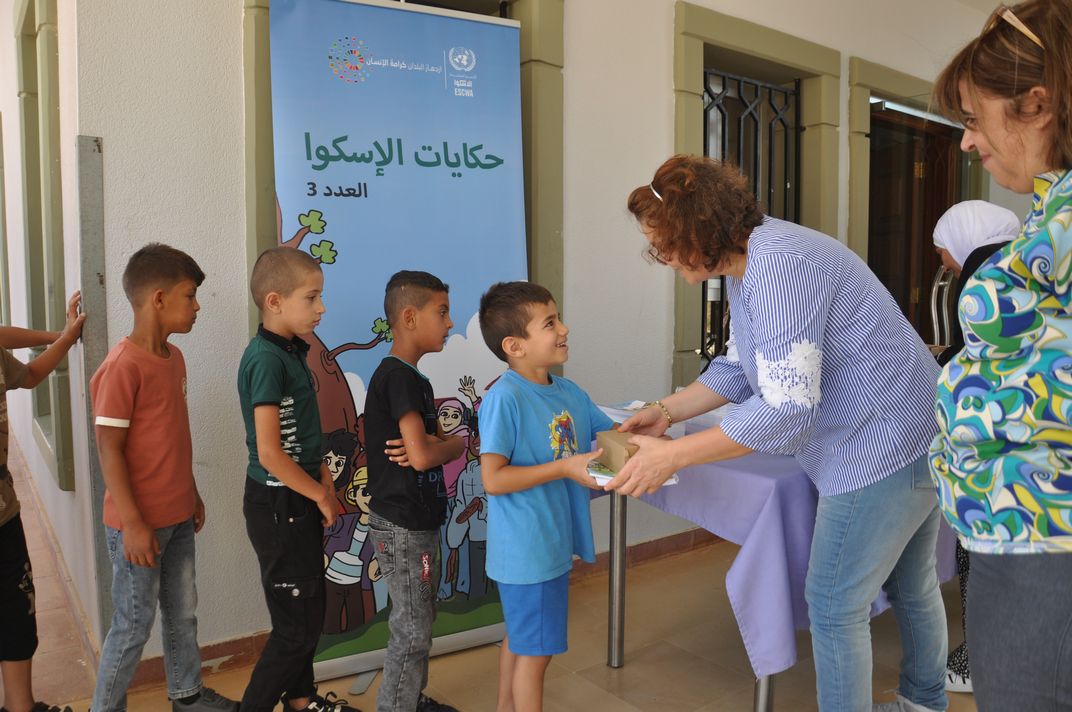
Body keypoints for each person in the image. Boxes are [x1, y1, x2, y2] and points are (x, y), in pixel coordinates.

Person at [612, 156, 948, 712]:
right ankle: (925, 702)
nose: (662, 257)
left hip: (879, 447)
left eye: (664, 243)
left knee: (835, 604)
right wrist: (664, 412)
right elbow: (741, 370)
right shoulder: (754, 264)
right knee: (910, 586)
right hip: (912, 430)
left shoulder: (779, 267)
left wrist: (672, 459)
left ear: (698, 230)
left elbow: (786, 411)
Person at [931, 2, 1072, 709]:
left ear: (1036, 104)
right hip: (1016, 535)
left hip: (1046, 540)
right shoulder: (1053, 210)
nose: (966, 143)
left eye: (973, 118)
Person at [90, 245, 236, 712]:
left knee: (182, 614)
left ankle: (186, 697)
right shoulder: (122, 367)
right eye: (190, 296)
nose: (197, 306)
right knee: (133, 625)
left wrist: (191, 491)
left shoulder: (174, 359)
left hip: (176, 515)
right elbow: (108, 450)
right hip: (140, 527)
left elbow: (172, 434)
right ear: (158, 298)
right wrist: (132, 522)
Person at [476, 281, 610, 712]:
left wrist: (658, 422)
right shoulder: (504, 399)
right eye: (550, 323)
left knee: (522, 638)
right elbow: (493, 480)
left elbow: (608, 436)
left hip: (550, 543)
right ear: (514, 345)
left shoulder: (570, 393)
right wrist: (565, 467)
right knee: (536, 655)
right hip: (527, 552)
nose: (564, 329)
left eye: (559, 317)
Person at [237, 247, 357, 712]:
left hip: (297, 499)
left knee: (307, 611)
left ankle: (301, 703)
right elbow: (270, 452)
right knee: (295, 628)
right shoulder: (265, 359)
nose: (321, 308)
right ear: (274, 301)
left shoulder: (293, 352)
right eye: (312, 298)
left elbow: (302, 436)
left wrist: (323, 479)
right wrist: (320, 497)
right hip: (277, 505)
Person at [930, 199, 1019, 694]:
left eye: (947, 258)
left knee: (980, 555)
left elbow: (983, 362)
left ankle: (978, 661)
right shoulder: (1024, 260)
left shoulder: (983, 275)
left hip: (994, 450)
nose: (947, 268)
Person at [363, 270, 464, 712]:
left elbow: (425, 448)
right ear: (408, 317)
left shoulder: (413, 380)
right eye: (440, 312)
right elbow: (422, 456)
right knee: (412, 627)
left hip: (416, 523)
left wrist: (439, 445)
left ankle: (410, 700)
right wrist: (453, 445)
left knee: (420, 619)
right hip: (402, 527)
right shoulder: (398, 379)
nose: (449, 322)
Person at [0, 294, 85, 712]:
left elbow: (30, 374)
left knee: (16, 607)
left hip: (3, 512)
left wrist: (65, 336)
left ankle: (21, 707)